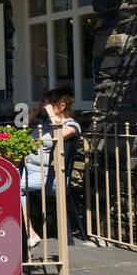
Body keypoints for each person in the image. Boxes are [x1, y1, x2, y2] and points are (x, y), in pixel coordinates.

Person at [21, 91, 88, 248]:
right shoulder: (44, 123)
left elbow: (61, 133)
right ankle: (25, 231)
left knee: (11, 188)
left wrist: (51, 112)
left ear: (61, 105)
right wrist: (32, 114)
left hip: (49, 175)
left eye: (46, 103)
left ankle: (29, 233)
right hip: (28, 170)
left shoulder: (72, 125)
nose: (43, 106)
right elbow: (20, 133)